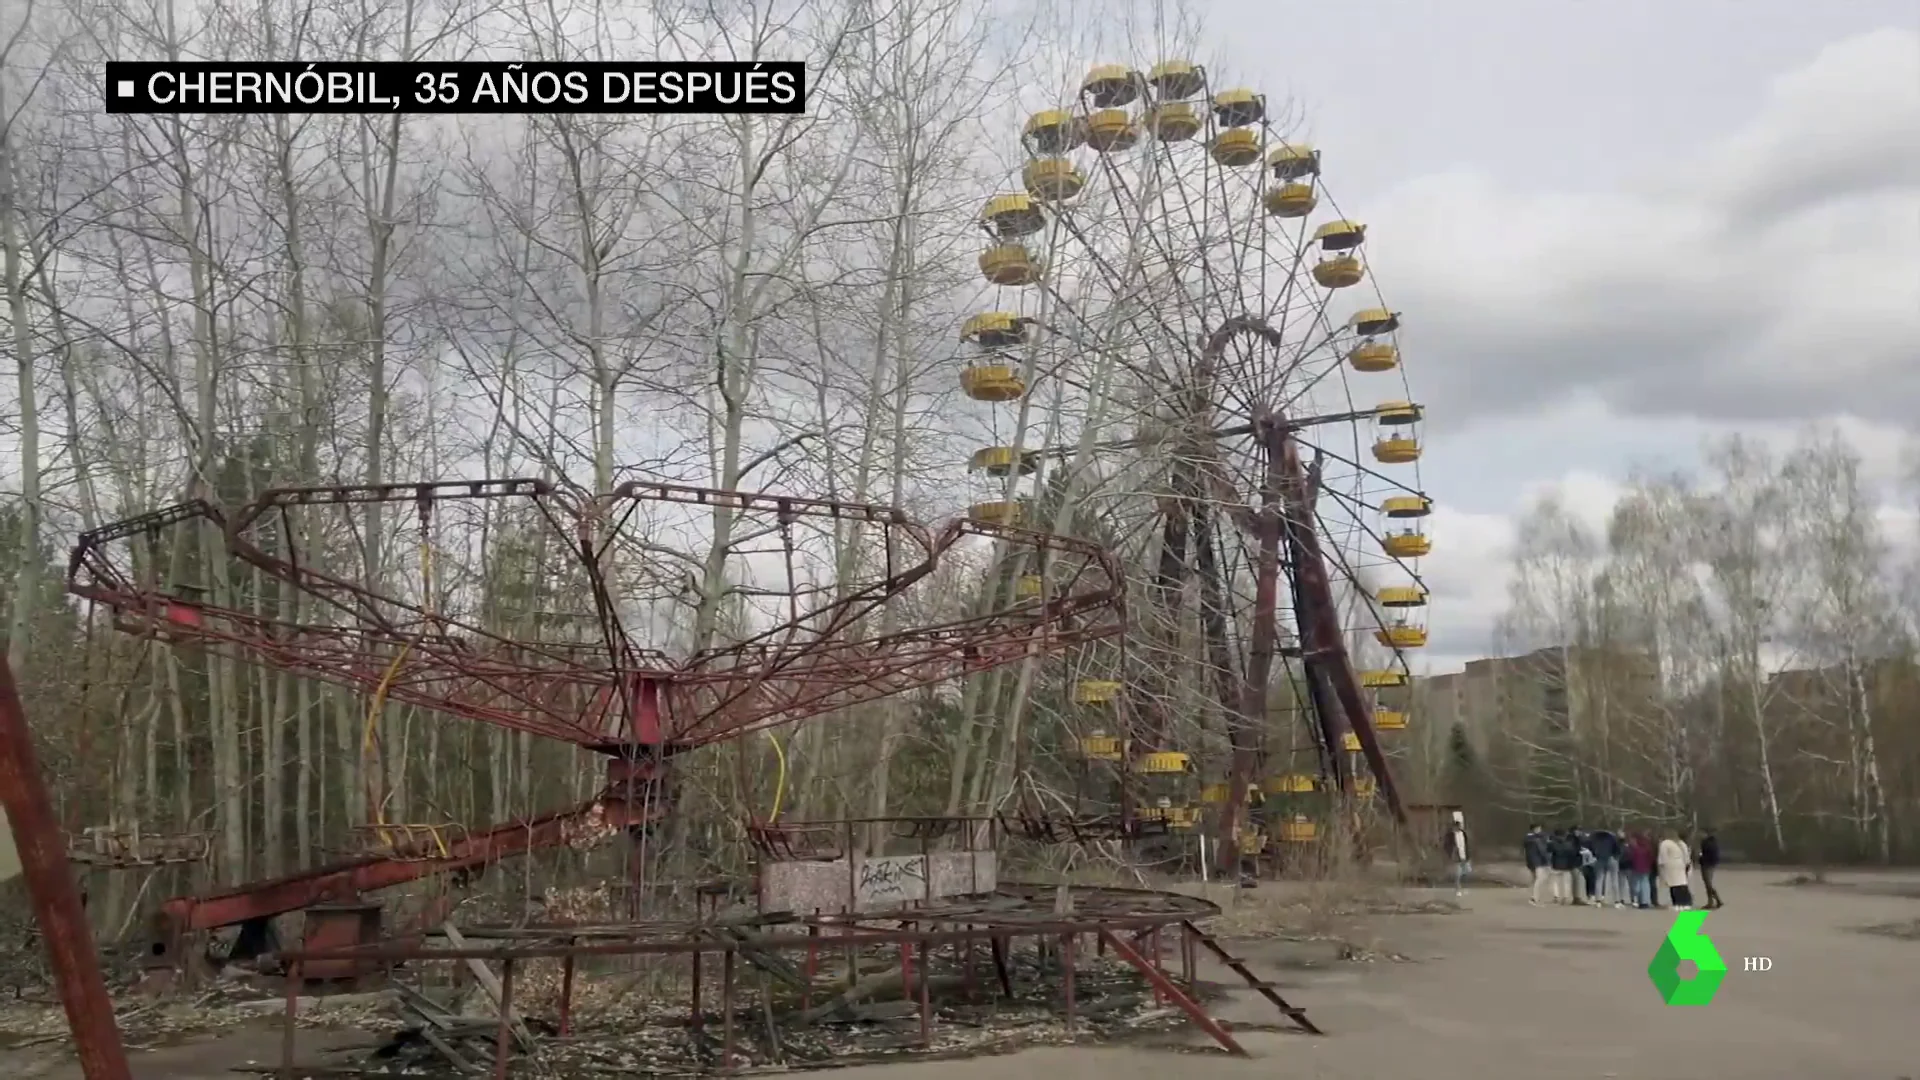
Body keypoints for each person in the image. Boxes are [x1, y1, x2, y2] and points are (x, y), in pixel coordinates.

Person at [1658, 829, 1694, 910]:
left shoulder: (1665, 843)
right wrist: (1687, 864)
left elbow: (1663, 855)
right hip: (1681, 864)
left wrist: (1661, 865)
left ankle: (1677, 903)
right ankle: (1686, 902)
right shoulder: (1681, 843)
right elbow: (1687, 855)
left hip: (1671, 865)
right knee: (1682, 884)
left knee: (1673, 885)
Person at [1587, 826, 1622, 908]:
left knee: (1599, 880)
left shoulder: (1594, 838)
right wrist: (1616, 856)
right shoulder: (1611, 837)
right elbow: (1617, 848)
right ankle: (1617, 901)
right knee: (1614, 880)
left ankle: (1598, 900)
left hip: (1599, 859)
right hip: (1611, 858)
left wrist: (1595, 855)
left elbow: (1590, 847)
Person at [1548, 827, 1580, 905]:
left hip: (1555, 864)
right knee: (1566, 882)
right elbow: (1572, 853)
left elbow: (1549, 851)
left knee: (1555, 881)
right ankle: (1566, 897)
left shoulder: (1552, 843)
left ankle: (1556, 896)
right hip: (1566, 865)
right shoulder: (1568, 843)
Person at [1624, 830, 1656, 909]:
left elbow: (1631, 858)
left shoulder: (1634, 848)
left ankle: (1638, 899)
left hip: (1636, 868)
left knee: (1636, 884)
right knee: (1645, 884)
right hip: (1646, 868)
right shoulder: (1648, 847)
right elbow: (1651, 857)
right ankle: (1645, 901)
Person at [1444, 813, 1471, 896]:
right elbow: (1446, 845)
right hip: (1456, 856)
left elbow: (1466, 845)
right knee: (1458, 874)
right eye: (1457, 826)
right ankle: (1458, 889)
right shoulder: (1450, 835)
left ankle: (1462, 887)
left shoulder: (1463, 834)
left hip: (1464, 855)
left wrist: (1468, 855)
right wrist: (1450, 853)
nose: (1459, 827)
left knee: (1467, 871)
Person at [1524, 823, 1551, 905]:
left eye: (1539, 828)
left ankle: (1535, 896)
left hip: (1537, 861)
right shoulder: (1532, 839)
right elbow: (1542, 851)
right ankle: (1534, 898)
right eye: (1537, 828)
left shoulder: (1541, 838)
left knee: (1537, 879)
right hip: (1536, 861)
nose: (1539, 830)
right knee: (1539, 879)